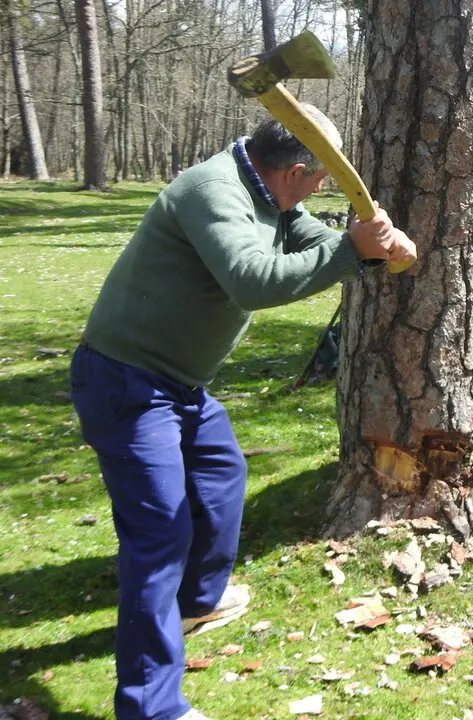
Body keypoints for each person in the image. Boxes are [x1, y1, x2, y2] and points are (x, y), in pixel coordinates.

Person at [69, 107, 416, 720]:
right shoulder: (213, 189)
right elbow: (254, 281)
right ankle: (151, 707)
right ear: (298, 169)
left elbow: (313, 241)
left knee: (222, 481)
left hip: (180, 387)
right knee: (158, 537)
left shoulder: (270, 196)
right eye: (321, 179)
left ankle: (196, 604)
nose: (321, 190)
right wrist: (351, 252)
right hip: (125, 382)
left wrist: (375, 245)